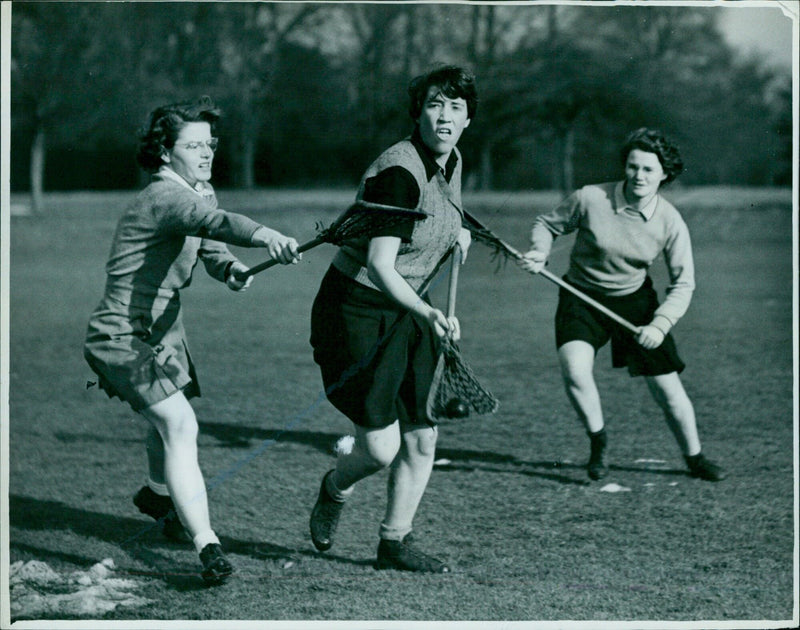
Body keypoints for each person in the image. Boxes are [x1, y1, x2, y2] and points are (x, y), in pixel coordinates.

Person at [84, 96, 300, 584]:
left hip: (163, 333)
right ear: (165, 152)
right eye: (194, 145)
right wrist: (267, 235)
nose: (207, 153)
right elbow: (213, 222)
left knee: (168, 418)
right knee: (180, 425)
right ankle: (207, 545)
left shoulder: (200, 190)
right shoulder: (164, 196)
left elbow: (211, 244)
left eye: (211, 144)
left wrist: (230, 271)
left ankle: (159, 493)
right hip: (121, 334)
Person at [307, 65, 477, 573]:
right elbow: (380, 265)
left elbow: (441, 211)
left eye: (455, 107)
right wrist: (429, 312)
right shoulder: (399, 172)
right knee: (379, 449)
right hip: (356, 308)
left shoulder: (452, 159)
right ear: (417, 112)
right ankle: (334, 487)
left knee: (424, 435)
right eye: (434, 105)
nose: (444, 117)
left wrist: (458, 231)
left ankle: (394, 542)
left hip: (405, 305)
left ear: (468, 119)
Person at [518, 128, 725, 483]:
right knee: (575, 368)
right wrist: (539, 251)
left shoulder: (671, 221)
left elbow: (683, 283)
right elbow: (546, 225)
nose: (638, 176)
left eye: (648, 169)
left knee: (668, 390)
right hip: (581, 296)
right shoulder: (590, 198)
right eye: (632, 167)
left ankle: (695, 457)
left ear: (664, 173)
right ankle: (599, 443)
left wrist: (659, 325)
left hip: (636, 303)